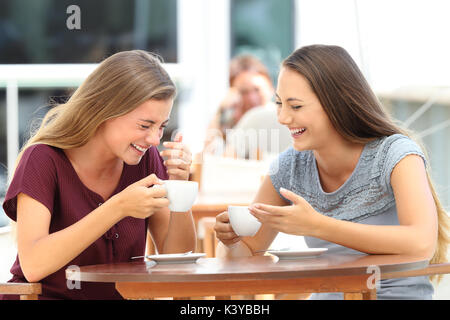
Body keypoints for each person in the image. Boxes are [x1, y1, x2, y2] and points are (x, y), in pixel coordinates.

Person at [214, 44, 450, 300]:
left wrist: (319, 226)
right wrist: (232, 242)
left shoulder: (395, 155)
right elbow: (246, 254)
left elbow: (421, 242)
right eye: (279, 104)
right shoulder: (290, 167)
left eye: (295, 106)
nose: (282, 118)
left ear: (336, 103)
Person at [0, 50, 196, 300]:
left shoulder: (146, 160)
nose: (155, 139)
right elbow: (34, 265)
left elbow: (177, 263)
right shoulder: (43, 159)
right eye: (145, 125)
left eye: (162, 127)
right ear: (105, 111)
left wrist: (180, 190)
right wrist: (117, 207)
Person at [204, 54, 290, 158]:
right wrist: (221, 112)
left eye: (257, 90)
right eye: (244, 92)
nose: (252, 98)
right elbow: (207, 155)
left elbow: (217, 163)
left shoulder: (273, 118)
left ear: (270, 88)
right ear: (233, 93)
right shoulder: (231, 121)